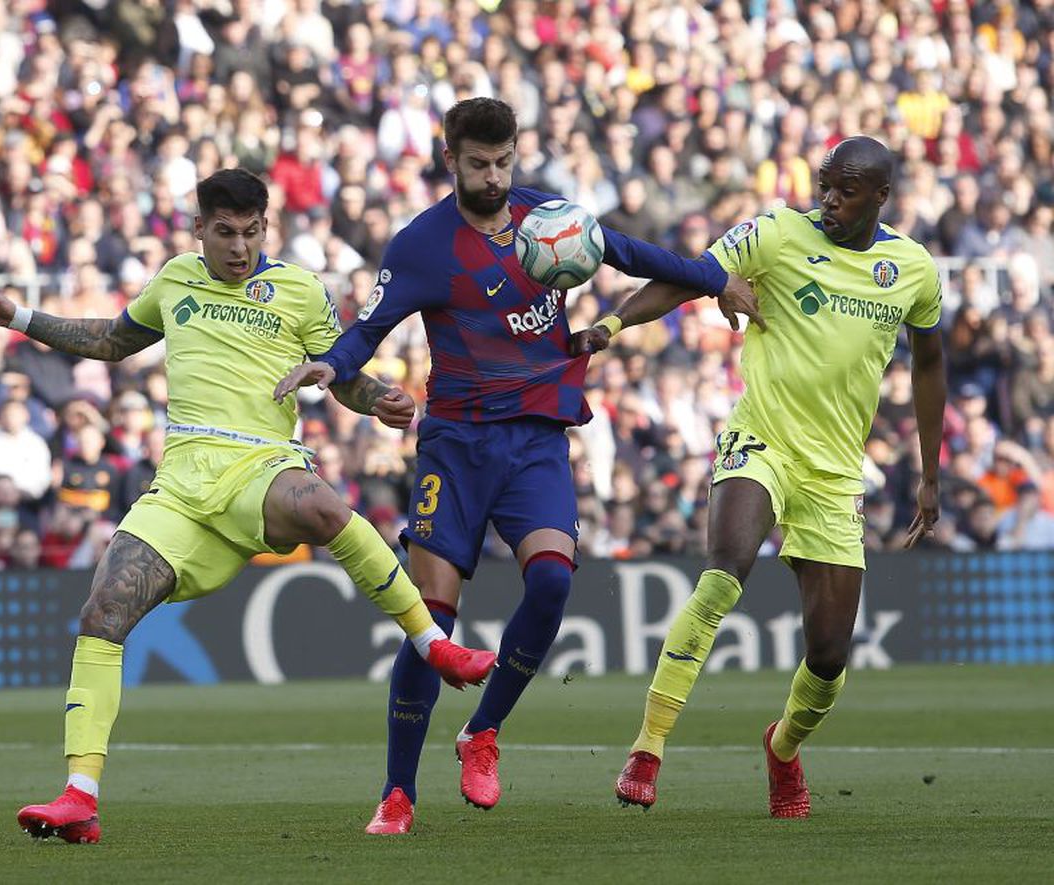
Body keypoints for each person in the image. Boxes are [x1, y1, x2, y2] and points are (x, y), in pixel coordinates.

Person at [0, 167, 496, 845]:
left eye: (253, 232)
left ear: (268, 227)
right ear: (198, 228)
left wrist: (380, 396)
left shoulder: (297, 289)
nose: (240, 247)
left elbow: (339, 372)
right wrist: (19, 316)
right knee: (103, 608)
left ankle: (432, 645)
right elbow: (113, 340)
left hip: (260, 464)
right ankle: (80, 797)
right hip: (181, 485)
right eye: (226, 232)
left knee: (321, 507)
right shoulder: (176, 279)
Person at [274, 97, 760, 834]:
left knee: (554, 580)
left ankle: (483, 731)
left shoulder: (550, 221)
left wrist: (709, 277)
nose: (494, 177)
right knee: (431, 623)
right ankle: (397, 793)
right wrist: (331, 365)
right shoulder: (420, 247)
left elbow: (632, 253)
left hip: (535, 435)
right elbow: (368, 330)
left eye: (504, 162)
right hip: (458, 445)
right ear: (452, 159)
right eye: (479, 164)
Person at [577, 137, 946, 819]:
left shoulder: (914, 269)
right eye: (824, 185)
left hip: (835, 470)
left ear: (880, 197)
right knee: (725, 571)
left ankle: (781, 748)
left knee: (830, 655)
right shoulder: (775, 232)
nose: (829, 199)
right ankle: (647, 748)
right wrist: (612, 323)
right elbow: (689, 275)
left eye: (845, 189)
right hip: (761, 438)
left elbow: (928, 365)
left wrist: (930, 471)